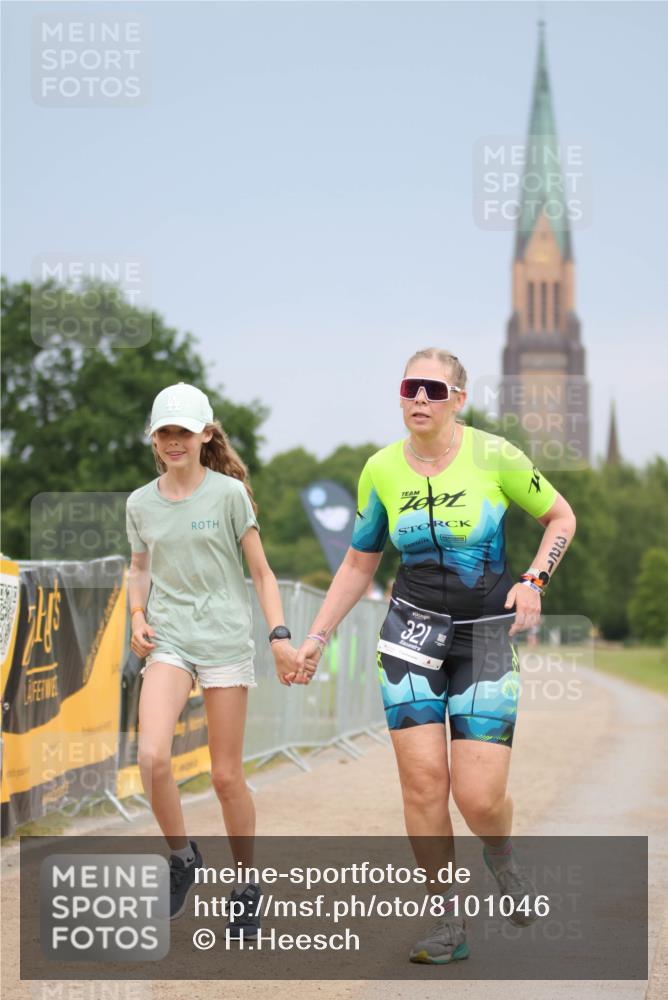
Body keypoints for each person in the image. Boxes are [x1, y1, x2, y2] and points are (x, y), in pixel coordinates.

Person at [295, 348, 576, 964]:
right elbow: (358, 562)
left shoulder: (495, 456)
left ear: (458, 399)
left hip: (484, 638)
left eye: (433, 388)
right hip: (409, 635)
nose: (419, 398)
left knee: (478, 799)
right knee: (424, 786)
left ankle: (500, 854)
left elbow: (560, 517)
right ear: (400, 397)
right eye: (409, 387)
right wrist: (315, 638)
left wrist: (534, 580)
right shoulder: (379, 470)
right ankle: (448, 923)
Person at [126, 381, 300, 931]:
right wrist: (136, 615)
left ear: (205, 435)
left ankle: (246, 881)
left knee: (225, 777)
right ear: (154, 440)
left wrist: (279, 636)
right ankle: (182, 857)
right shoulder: (139, 503)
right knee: (151, 758)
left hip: (224, 640)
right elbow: (140, 568)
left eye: (183, 431)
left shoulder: (228, 495)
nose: (173, 441)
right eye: (164, 433)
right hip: (170, 639)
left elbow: (262, 573)